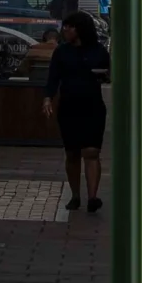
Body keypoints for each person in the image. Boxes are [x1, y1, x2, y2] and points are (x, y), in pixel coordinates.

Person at [42, 11, 110, 212]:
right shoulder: (62, 52)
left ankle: (92, 197)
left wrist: (105, 75)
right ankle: (75, 195)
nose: (65, 30)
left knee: (91, 151)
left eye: (70, 27)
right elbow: (53, 77)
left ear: (80, 29)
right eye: (65, 26)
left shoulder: (99, 51)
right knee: (72, 153)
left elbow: (109, 73)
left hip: (92, 106)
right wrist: (48, 98)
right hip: (69, 106)